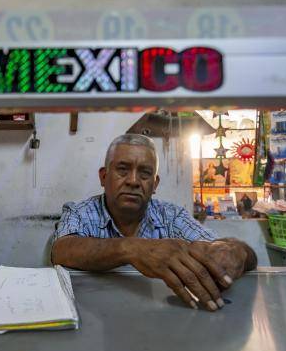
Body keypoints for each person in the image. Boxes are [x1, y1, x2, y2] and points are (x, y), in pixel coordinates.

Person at [50, 134, 257, 312]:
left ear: (155, 184)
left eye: (145, 173)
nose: (133, 181)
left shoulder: (171, 216)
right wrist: (131, 248)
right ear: (104, 177)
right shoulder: (81, 212)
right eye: (123, 169)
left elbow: (220, 247)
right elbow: (61, 249)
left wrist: (235, 251)